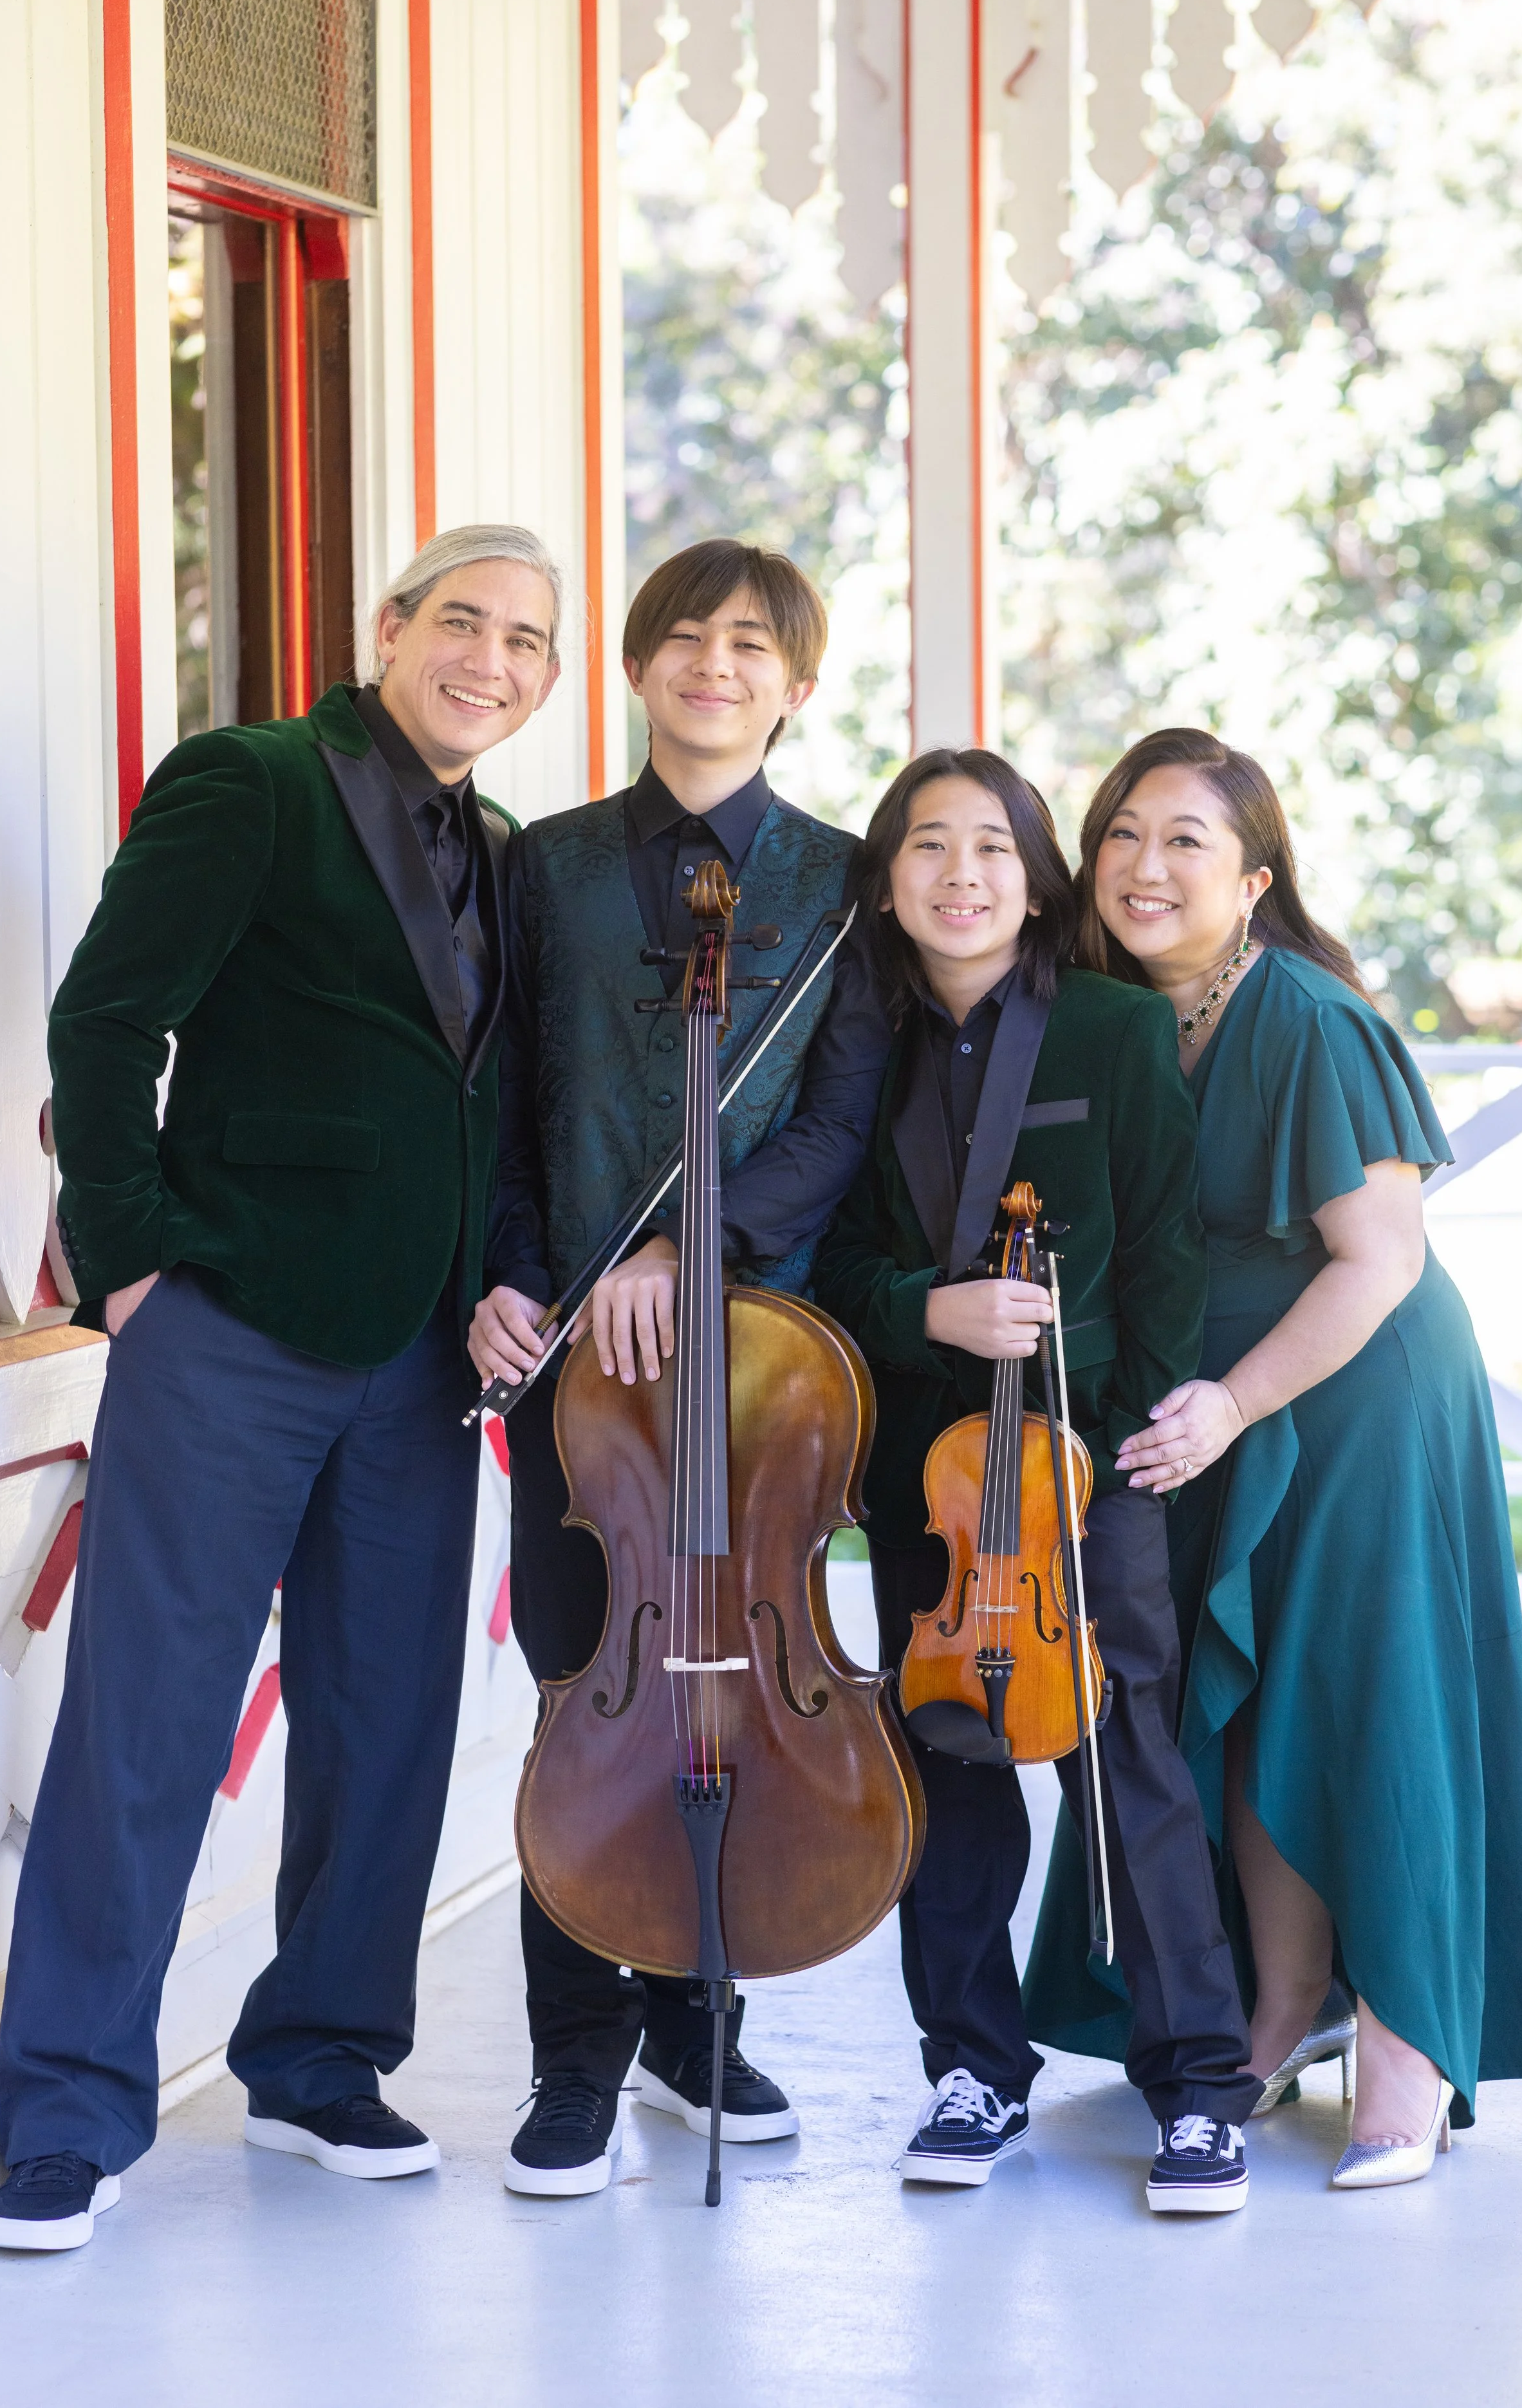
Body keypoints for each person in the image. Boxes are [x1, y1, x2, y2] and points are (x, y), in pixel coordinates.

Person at [0, 526, 563, 2253]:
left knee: (389, 1726)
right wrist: (137, 1257)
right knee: (147, 1717)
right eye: (462, 621)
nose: (490, 659)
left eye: (525, 641)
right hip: (227, 1324)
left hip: (422, 1353)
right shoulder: (250, 780)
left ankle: (320, 2058)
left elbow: (486, 1104)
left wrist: (499, 1285)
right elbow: (105, 1020)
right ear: (389, 627)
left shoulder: (510, 852)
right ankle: (69, 2110)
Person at [1023, 725, 1522, 2189]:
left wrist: (1233, 1404)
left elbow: (1372, 1263)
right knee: (1243, 1700)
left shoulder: (1307, 1017)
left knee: (1370, 1696)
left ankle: (1408, 2039)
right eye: (1120, 832)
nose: (1143, 863)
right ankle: (1278, 2000)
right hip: (1213, 1398)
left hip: (1350, 1388)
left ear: (1251, 880)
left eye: (1185, 838)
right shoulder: (1109, 1017)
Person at [469, 538, 894, 2198]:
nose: (712, 663)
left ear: (795, 685)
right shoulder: (544, 866)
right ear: (638, 668)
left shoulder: (846, 880)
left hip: (758, 1363)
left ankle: (695, 2016)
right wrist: (513, 1281)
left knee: (723, 1680)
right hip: (578, 1375)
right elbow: (499, 1109)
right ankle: (575, 2053)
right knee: (588, 1693)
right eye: (683, 638)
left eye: (750, 644)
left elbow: (836, 1128)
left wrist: (686, 1251)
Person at [812, 749, 1261, 2213]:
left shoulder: (1113, 1031)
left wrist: (1111, 1454)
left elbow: (1160, 1262)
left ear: (1033, 875)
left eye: (992, 849)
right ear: (887, 879)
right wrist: (919, 1309)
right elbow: (835, 1258)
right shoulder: (857, 1039)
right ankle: (971, 2065)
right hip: (930, 1484)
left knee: (1124, 1762)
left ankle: (1196, 2086)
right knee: (944, 1759)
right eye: (928, 848)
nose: (960, 877)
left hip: (1084, 1472)